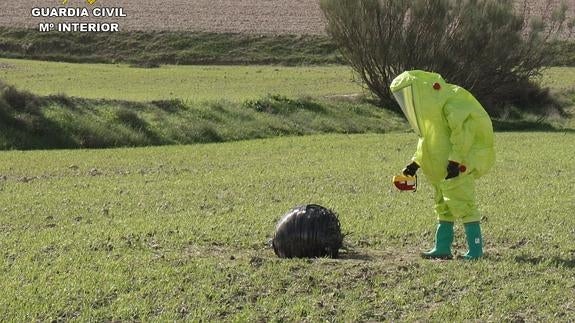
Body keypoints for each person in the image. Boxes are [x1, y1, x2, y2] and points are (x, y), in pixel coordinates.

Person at [390, 70, 495, 260]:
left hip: (456, 169)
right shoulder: (430, 120)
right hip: (439, 172)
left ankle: (476, 251)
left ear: (419, 93)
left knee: (465, 205)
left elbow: (462, 136)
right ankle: (442, 247)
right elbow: (427, 143)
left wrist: (455, 161)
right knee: (443, 207)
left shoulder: (449, 105)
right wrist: (415, 164)